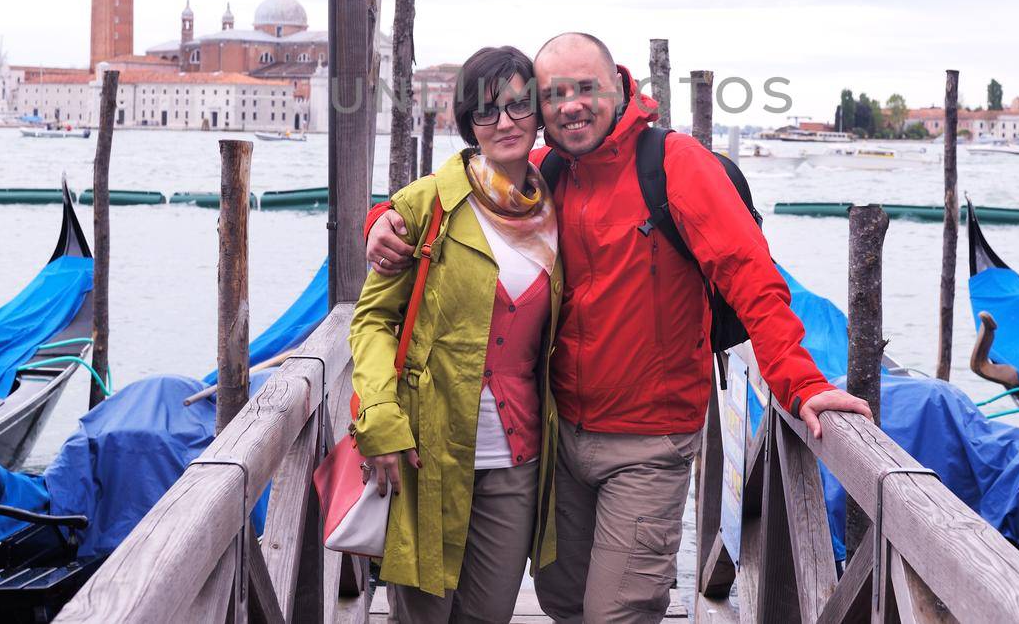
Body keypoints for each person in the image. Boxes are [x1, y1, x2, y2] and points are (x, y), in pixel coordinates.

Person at [368, 33, 870, 624]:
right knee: (562, 598)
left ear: (620, 88)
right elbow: (459, 193)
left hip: (648, 440)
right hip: (558, 438)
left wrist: (800, 383)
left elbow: (751, 279)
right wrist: (382, 221)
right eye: (554, 94)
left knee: (618, 613)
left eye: (586, 89)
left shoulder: (677, 165)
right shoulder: (544, 171)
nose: (571, 105)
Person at [350, 45, 562, 623]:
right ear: (467, 123)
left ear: (539, 113)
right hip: (427, 452)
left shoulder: (558, 207)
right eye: (487, 111)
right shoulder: (427, 204)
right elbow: (372, 321)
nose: (506, 123)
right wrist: (380, 420)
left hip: (517, 459)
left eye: (519, 106)